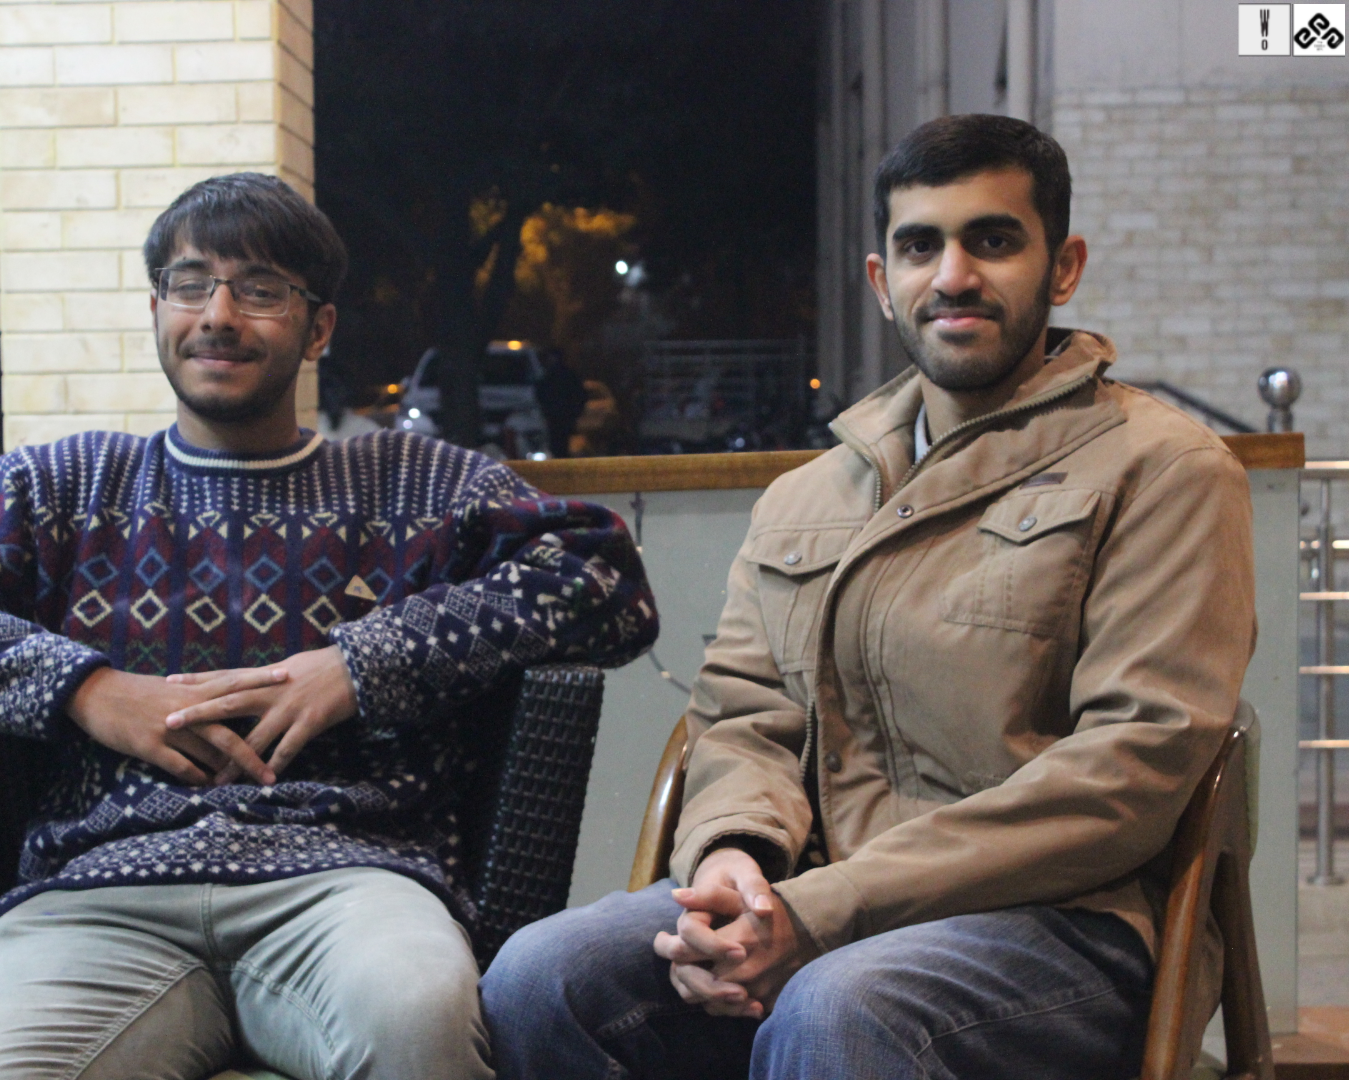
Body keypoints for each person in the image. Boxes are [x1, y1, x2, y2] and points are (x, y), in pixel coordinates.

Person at [0, 173, 657, 1080]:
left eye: (259, 290)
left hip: (351, 886)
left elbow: (608, 580)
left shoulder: (417, 485)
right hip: (99, 895)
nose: (218, 315)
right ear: (156, 310)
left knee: (419, 1025)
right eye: (191, 284)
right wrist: (87, 690)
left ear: (318, 328)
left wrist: (361, 665)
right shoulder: (64, 486)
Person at [482, 114, 1256, 1080]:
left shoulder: (1164, 470)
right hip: (814, 897)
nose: (954, 276)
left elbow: (1129, 771)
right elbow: (744, 720)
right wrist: (733, 862)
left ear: (1063, 269)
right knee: (541, 978)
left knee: (836, 1007)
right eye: (921, 246)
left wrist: (823, 911)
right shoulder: (809, 495)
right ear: (883, 280)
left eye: (994, 240)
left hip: (1067, 927)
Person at [536, 348, 588, 457]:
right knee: (558, 440)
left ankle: (560, 456)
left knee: (560, 440)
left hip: (562, 414)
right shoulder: (556, 375)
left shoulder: (558, 375)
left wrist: (575, 410)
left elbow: (580, 394)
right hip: (559, 415)